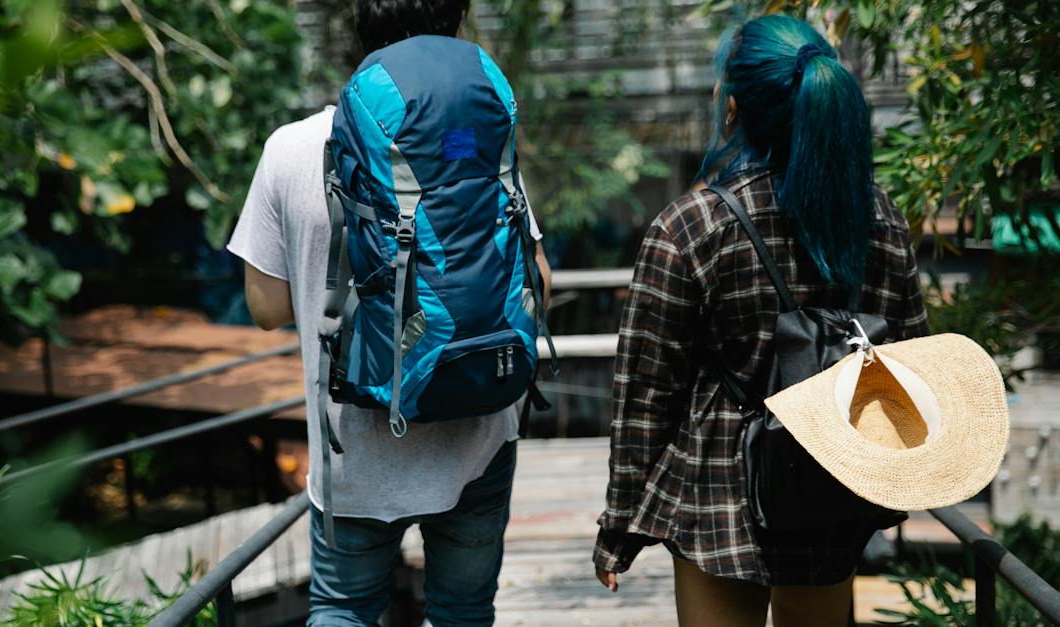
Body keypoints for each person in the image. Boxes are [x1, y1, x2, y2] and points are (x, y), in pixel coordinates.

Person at [592, 14, 928, 627]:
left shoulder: (691, 227)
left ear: (734, 108)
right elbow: (914, 360)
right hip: (832, 482)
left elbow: (644, 398)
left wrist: (619, 526)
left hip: (717, 494)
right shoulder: (879, 221)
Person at [227, 0, 549, 623]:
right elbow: (540, 280)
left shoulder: (289, 149)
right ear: (455, 28)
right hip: (477, 431)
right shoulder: (477, 144)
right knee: (462, 610)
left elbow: (265, 308)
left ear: (358, 31)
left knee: (345, 608)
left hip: (355, 451)